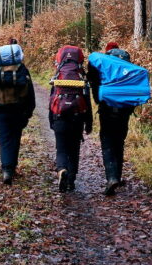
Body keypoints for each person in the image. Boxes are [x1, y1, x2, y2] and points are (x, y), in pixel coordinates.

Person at [87, 42, 135, 195]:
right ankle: (117, 176)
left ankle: (112, 177)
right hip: (125, 110)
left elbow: (94, 82)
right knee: (119, 142)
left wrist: (98, 101)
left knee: (107, 141)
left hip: (107, 109)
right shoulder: (125, 65)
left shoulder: (105, 66)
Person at [0, 38, 35, 185]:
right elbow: (30, 93)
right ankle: (11, 167)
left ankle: (7, 169)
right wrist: (28, 112)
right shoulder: (21, 69)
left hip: (1, 109)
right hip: (19, 109)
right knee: (15, 138)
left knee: (4, 139)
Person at [49, 45, 93, 192]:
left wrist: (52, 121)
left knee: (61, 148)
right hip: (77, 118)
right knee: (74, 149)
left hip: (59, 116)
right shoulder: (81, 78)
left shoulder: (57, 77)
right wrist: (89, 123)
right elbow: (87, 102)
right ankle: (71, 181)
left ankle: (62, 170)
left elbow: (51, 101)